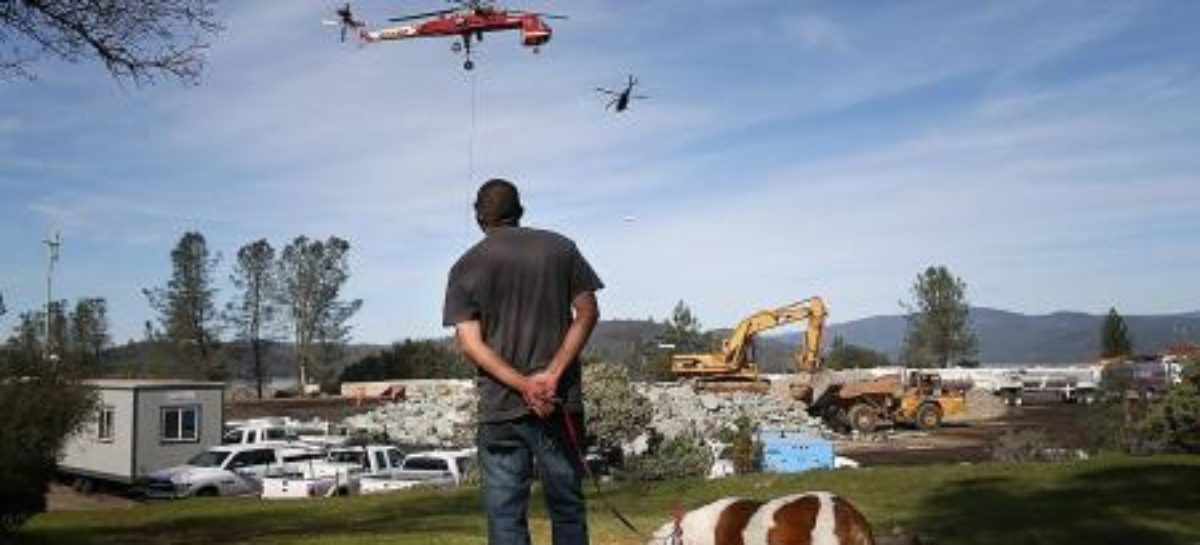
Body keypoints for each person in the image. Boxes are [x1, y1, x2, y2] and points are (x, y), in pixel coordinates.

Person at [444, 178, 603, 545]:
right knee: (567, 508)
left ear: (478, 217)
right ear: (521, 212)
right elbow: (588, 312)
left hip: (501, 410)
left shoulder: (465, 266)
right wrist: (550, 376)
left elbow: (470, 345)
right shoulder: (561, 249)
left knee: (505, 516)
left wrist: (523, 385)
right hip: (558, 404)